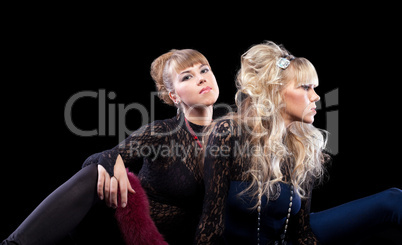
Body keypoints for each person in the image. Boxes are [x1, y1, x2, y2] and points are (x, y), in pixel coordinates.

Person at [2, 48, 220, 245]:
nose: (201, 79)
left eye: (204, 70)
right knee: (97, 172)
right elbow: (103, 157)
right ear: (174, 96)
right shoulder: (162, 132)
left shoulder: (228, 134)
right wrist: (114, 163)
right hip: (123, 232)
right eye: (187, 77)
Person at [194, 41, 401, 245]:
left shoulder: (302, 145)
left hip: (287, 240)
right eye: (305, 87)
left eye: (314, 88)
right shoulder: (227, 133)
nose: (316, 96)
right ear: (275, 92)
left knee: (393, 199)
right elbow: (210, 225)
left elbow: (302, 231)